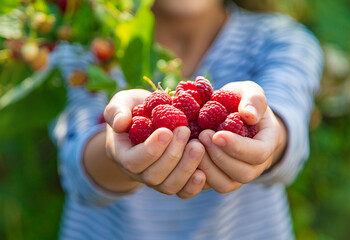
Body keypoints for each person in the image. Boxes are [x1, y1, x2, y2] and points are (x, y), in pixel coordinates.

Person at [50, 0, 323, 239]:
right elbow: (75, 168)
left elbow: (287, 121)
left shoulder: (279, 39)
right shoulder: (87, 49)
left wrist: (267, 134)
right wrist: (116, 150)